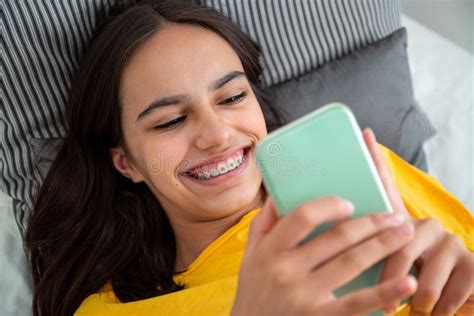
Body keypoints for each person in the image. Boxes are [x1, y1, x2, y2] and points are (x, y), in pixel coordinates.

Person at [25, 1, 473, 316]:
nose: (218, 135)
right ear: (127, 163)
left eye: (233, 96)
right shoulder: (113, 311)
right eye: (168, 122)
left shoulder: (372, 173)